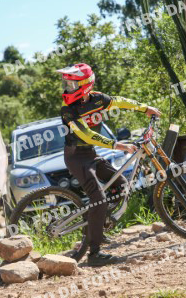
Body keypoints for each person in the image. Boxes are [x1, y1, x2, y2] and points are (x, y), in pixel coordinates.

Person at [58, 63, 161, 266]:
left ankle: (96, 226)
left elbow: (119, 102)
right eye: (67, 84)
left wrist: (145, 108)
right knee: (99, 199)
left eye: (72, 85)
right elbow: (86, 134)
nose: (67, 89)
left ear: (85, 84)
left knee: (121, 186)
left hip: (90, 154)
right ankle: (94, 254)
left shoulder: (97, 99)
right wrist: (118, 145)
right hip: (76, 157)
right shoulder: (68, 109)